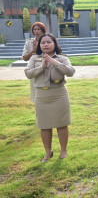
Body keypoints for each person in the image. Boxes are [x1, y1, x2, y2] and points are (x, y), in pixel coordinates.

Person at [25, 33, 75, 162]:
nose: (46, 44)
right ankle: (48, 152)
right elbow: (28, 74)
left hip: (59, 95)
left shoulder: (62, 58)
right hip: (41, 96)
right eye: (43, 42)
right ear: (39, 45)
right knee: (44, 125)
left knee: (62, 124)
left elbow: (71, 72)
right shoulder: (34, 58)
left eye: (48, 42)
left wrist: (55, 62)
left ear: (54, 44)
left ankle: (63, 150)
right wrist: (42, 67)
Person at [22, 22, 47, 102]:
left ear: (43, 30)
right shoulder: (29, 42)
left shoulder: (48, 41)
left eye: (39, 29)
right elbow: (25, 58)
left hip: (47, 69)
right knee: (36, 96)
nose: (36, 31)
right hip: (34, 71)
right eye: (35, 29)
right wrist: (33, 50)